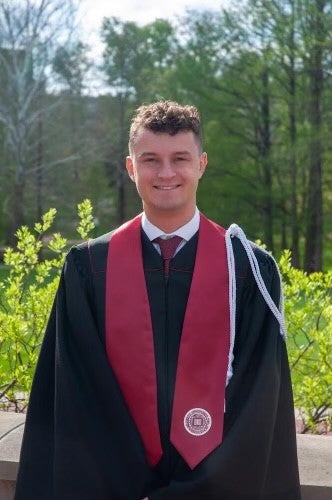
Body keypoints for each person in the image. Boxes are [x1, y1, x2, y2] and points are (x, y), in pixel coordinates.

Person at [15, 101, 301, 499]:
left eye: (179, 158)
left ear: (201, 164)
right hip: (111, 487)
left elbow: (259, 403)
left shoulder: (248, 270)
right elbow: (75, 394)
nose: (166, 173)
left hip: (219, 489)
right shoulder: (89, 268)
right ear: (131, 168)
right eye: (151, 160)